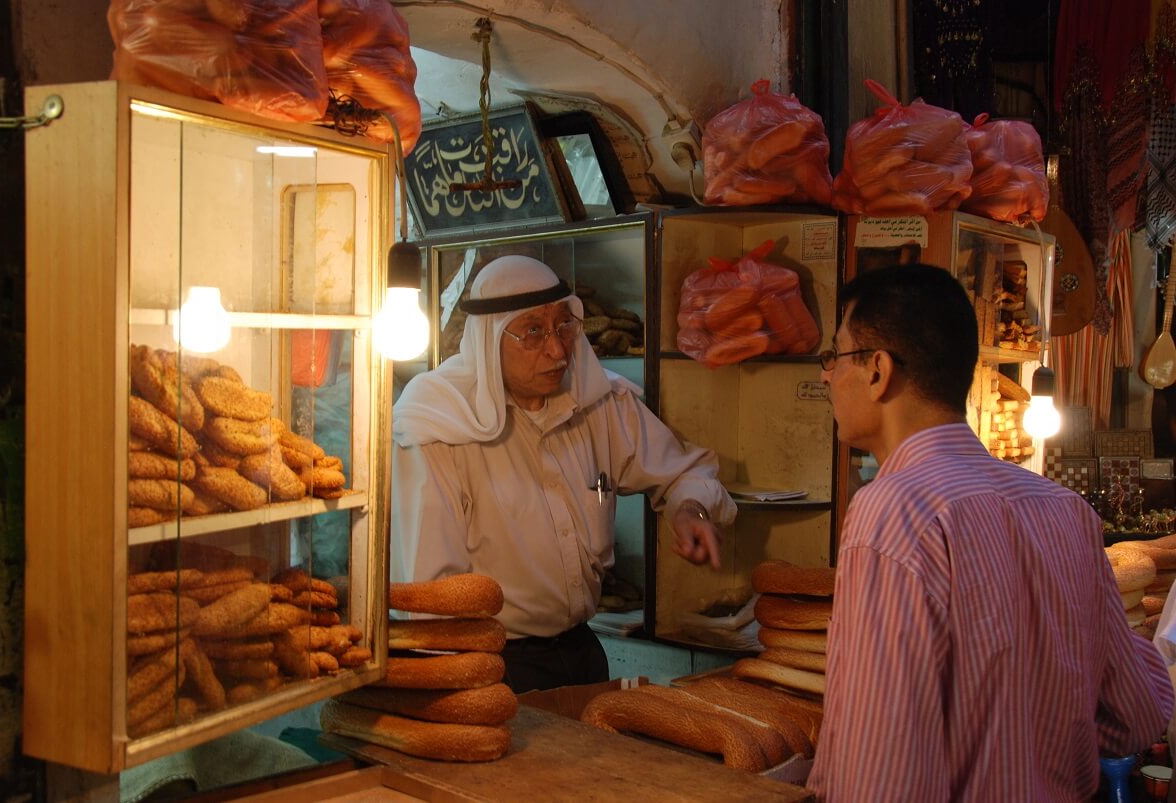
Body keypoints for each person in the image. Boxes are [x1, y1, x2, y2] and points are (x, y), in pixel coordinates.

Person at [808, 264, 1173, 801]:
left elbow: (879, 778)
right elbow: (1137, 716)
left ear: (877, 371)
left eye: (834, 357)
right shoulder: (1064, 510)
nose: (825, 376)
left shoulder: (892, 512)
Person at [390, 254, 737, 693]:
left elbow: (683, 470)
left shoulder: (596, 403)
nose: (557, 349)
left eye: (564, 326)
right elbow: (430, 600)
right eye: (533, 331)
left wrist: (691, 509)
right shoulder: (438, 425)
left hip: (583, 654)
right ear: (489, 338)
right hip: (489, 666)